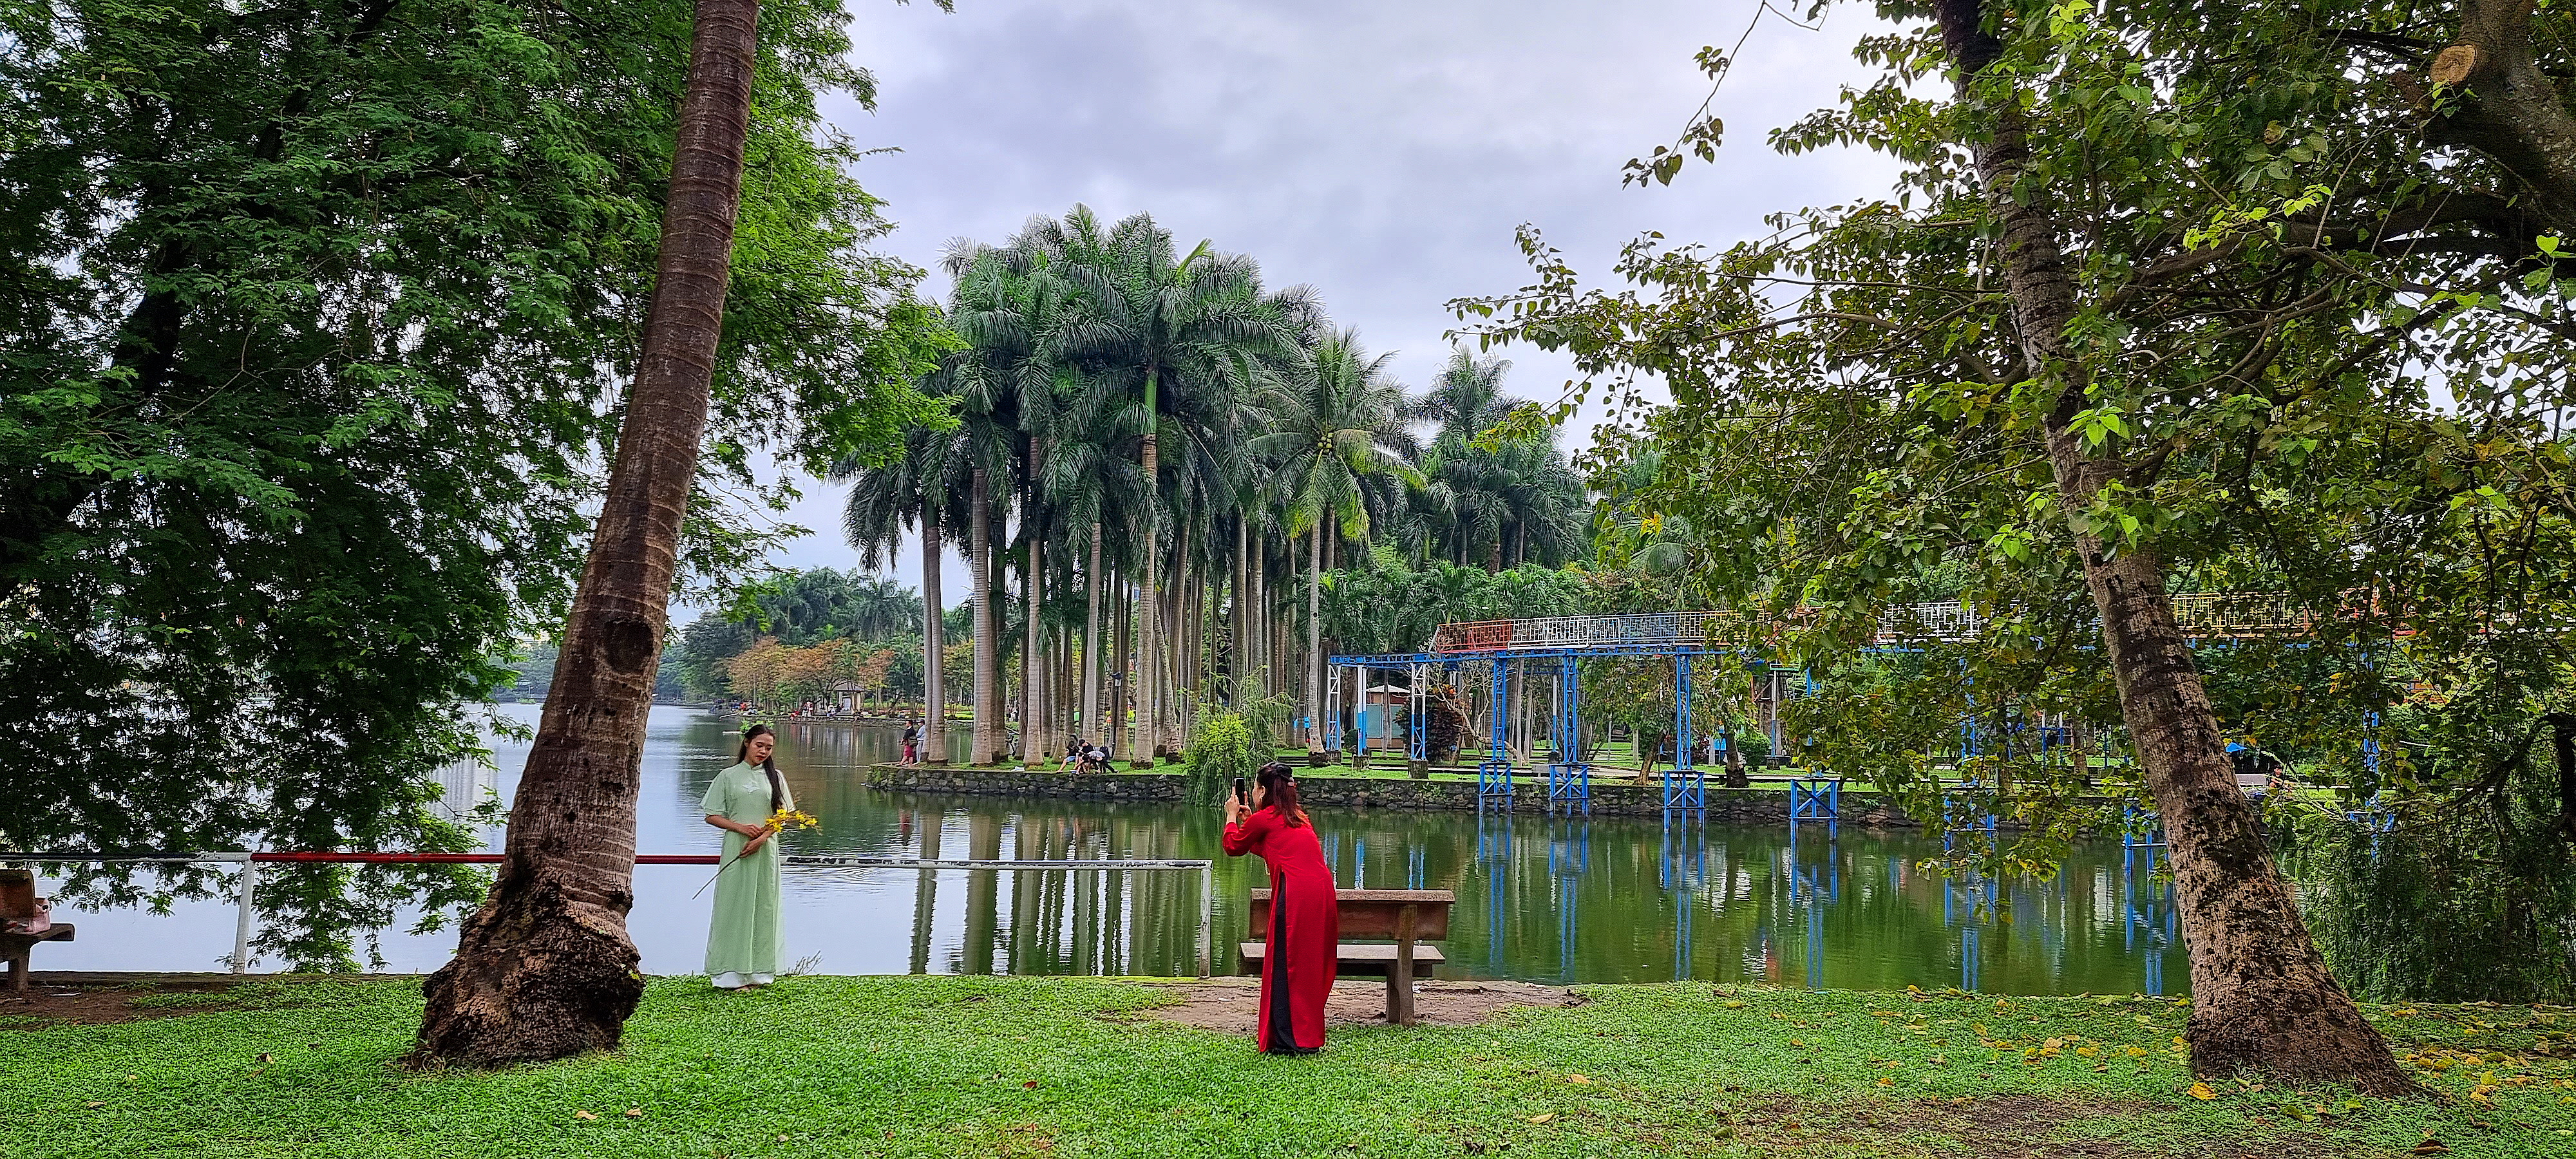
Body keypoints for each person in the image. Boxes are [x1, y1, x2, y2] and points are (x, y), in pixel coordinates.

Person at [1221, 762, 1338, 1054]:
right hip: (1321, 891)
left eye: (1256, 788)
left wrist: (1232, 818)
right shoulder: (1299, 817)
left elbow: (1233, 846)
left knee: (1287, 965)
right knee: (1308, 965)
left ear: (1262, 790)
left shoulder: (1266, 820)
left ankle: (1289, 1041)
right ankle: (1304, 1036)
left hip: (1296, 893)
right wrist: (1251, 822)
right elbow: (1274, 848)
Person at [701, 724, 794, 990]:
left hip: (766, 850)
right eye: (759, 746)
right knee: (733, 905)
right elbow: (711, 814)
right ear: (746, 743)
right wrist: (741, 828)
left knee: (764, 905)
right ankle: (729, 974)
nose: (764, 751)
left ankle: (760, 972)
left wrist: (763, 837)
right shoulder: (727, 777)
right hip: (736, 848)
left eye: (769, 747)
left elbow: (784, 815)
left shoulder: (776, 777)